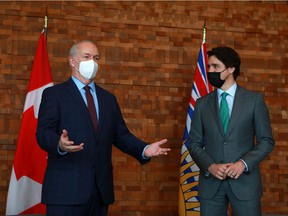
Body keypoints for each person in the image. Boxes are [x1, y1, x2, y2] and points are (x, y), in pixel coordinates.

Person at [36, 40, 170, 216]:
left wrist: (144, 149)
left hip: (100, 192)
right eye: (87, 57)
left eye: (96, 58)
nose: (93, 62)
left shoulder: (108, 99)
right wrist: (59, 145)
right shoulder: (54, 94)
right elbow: (43, 132)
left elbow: (121, 135)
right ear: (72, 61)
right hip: (66, 191)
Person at [187, 46, 275, 216]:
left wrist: (243, 163)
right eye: (209, 67)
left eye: (216, 67)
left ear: (231, 69)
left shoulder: (254, 101)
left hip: (245, 184)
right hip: (211, 185)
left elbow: (266, 141)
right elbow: (194, 143)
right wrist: (210, 166)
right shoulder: (202, 104)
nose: (210, 71)